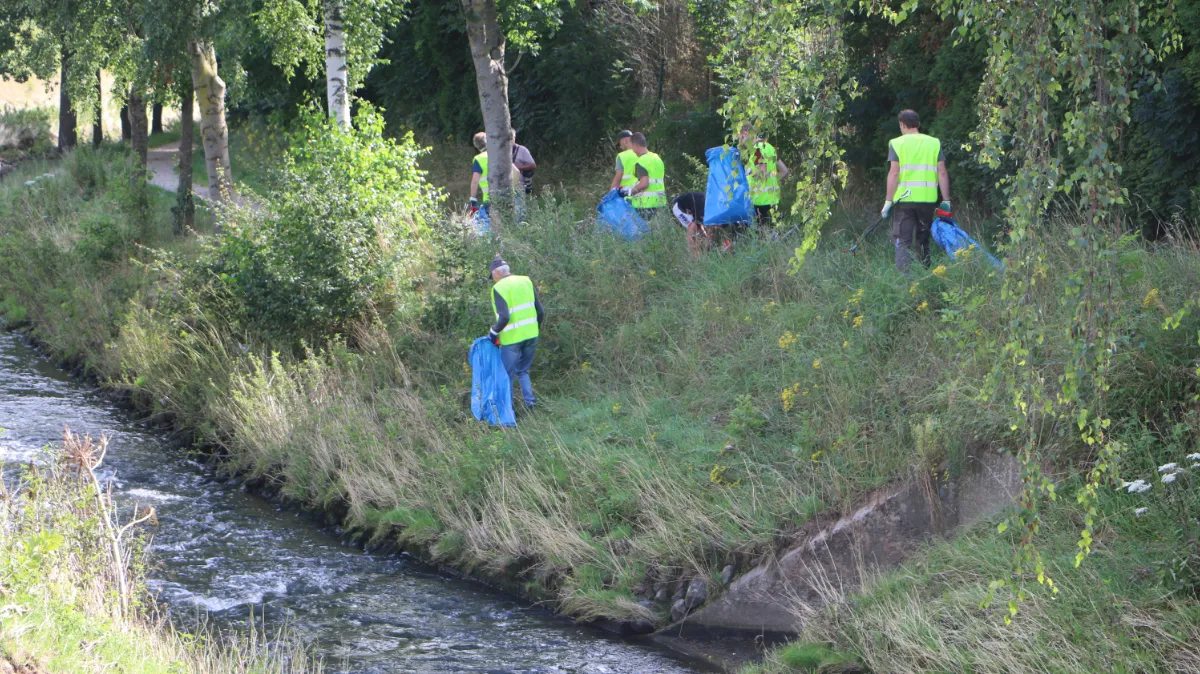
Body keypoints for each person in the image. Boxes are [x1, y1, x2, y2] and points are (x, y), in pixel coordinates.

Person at [882, 110, 952, 271]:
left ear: (902, 124)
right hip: (927, 200)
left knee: (903, 241)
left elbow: (894, 173)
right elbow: (941, 171)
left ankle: (905, 281)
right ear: (918, 124)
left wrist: (888, 201)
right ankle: (924, 275)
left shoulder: (897, 143)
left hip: (905, 201)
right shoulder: (934, 143)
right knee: (923, 238)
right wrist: (946, 200)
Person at [487, 256, 544, 409]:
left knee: (507, 376)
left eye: (492, 276)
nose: (493, 279)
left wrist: (493, 332)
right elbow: (541, 312)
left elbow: (505, 316)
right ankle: (530, 404)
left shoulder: (498, 288)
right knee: (523, 371)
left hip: (512, 339)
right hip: (531, 335)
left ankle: (507, 411)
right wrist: (534, 328)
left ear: (496, 272)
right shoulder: (526, 281)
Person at [739, 124, 790, 231]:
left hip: (760, 202)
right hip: (772, 199)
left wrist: (749, 171)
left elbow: (763, 174)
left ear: (745, 133)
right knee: (770, 236)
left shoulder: (758, 150)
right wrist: (772, 181)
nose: (740, 142)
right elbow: (784, 171)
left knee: (761, 238)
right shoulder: (770, 147)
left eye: (740, 138)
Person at [469, 131, 525, 216]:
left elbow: (475, 181)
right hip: (508, 196)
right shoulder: (500, 154)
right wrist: (514, 189)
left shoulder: (479, 159)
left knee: (496, 227)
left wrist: (473, 200)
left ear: (476, 145)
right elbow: (516, 172)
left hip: (490, 200)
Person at [621, 133, 666, 220]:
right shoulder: (656, 158)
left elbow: (644, 184)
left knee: (643, 232)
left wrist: (628, 193)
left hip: (645, 205)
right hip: (659, 203)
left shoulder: (641, 162)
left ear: (636, 145)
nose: (632, 151)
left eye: (632, 147)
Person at [672, 191, 731, 257]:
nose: (717, 226)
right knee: (694, 229)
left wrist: (708, 246)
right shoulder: (704, 210)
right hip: (679, 206)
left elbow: (711, 232)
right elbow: (693, 227)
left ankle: (704, 253)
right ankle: (694, 256)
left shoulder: (716, 214)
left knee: (702, 232)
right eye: (718, 224)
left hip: (694, 207)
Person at [609, 130, 638, 197]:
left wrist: (611, 195)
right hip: (642, 194)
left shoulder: (622, 156)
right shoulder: (641, 153)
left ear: (625, 141)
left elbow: (618, 177)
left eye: (620, 144)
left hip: (627, 195)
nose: (620, 147)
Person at [511, 130, 536, 195]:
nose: (510, 139)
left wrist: (516, 168)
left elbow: (533, 165)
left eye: (512, 137)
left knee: (519, 205)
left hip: (519, 185)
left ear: (514, 137)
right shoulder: (500, 152)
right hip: (505, 186)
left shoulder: (522, 150)